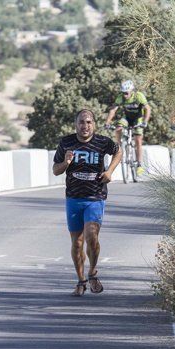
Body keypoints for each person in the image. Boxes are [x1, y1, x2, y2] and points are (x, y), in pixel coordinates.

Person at [53, 109, 122, 296]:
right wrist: (66, 163)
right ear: (76, 124)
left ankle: (92, 271)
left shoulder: (102, 142)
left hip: (95, 197)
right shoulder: (66, 143)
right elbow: (55, 170)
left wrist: (110, 172)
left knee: (92, 237)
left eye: (89, 122)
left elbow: (118, 152)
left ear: (94, 124)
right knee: (77, 243)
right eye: (82, 122)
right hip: (74, 198)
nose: (85, 126)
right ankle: (81, 280)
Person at [104, 80, 151, 176]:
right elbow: (113, 110)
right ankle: (119, 147)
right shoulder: (121, 97)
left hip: (138, 119)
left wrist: (145, 121)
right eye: (123, 92)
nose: (124, 95)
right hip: (127, 118)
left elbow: (147, 108)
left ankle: (139, 164)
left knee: (138, 140)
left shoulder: (138, 96)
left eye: (126, 93)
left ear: (131, 91)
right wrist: (107, 122)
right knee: (118, 128)